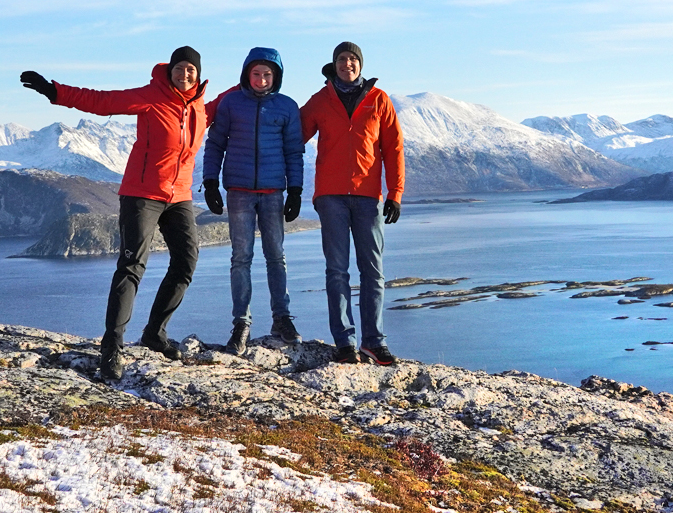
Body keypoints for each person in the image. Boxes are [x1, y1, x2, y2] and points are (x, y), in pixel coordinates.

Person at [20, 46, 211, 381]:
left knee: (186, 263)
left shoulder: (199, 107)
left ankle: (155, 334)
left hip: (179, 196)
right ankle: (111, 347)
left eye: (190, 70)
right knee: (132, 267)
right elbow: (104, 101)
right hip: (142, 194)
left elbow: (235, 101)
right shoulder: (151, 96)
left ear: (198, 75)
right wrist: (55, 91)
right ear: (170, 70)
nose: (184, 74)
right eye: (180, 68)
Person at [300, 42, 405, 366]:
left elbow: (393, 148)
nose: (348, 63)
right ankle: (345, 343)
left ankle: (374, 342)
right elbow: (293, 136)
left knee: (373, 271)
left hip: (368, 197)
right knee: (337, 271)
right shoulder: (320, 101)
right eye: (342, 59)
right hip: (330, 196)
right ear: (334, 65)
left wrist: (395, 193)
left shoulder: (379, 100)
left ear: (360, 64)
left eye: (353, 59)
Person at [202, 47, 305, 355]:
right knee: (241, 258)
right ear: (247, 74)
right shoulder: (231, 103)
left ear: (276, 76)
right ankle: (241, 324)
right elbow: (215, 143)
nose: (261, 79)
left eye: (267, 74)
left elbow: (294, 151)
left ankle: (281, 319)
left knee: (276, 256)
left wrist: (295, 190)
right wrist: (210, 182)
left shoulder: (287, 106)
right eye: (256, 73)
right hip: (239, 191)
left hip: (273, 192)